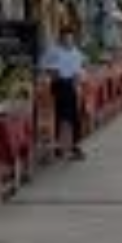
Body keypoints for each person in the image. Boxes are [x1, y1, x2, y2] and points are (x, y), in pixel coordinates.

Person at [41, 28, 86, 160]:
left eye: (70, 38)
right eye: (66, 38)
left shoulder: (77, 53)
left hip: (72, 85)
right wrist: (52, 72)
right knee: (61, 116)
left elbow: (81, 69)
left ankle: (74, 145)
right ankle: (60, 146)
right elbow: (43, 66)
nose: (68, 41)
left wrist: (79, 76)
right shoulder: (53, 51)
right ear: (61, 39)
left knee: (74, 117)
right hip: (59, 85)